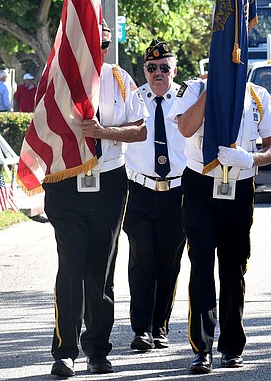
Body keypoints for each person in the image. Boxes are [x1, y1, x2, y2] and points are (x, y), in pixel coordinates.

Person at [46, 23, 148, 378]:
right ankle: (65, 351)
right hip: (66, 181)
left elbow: (140, 129)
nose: (98, 50)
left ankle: (98, 349)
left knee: (100, 271)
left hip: (108, 181)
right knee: (70, 268)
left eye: (104, 44)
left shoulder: (119, 78)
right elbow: (40, 127)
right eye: (91, 43)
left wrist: (105, 132)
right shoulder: (58, 75)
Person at [170, 68, 271, 374]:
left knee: (234, 267)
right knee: (202, 264)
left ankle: (232, 346)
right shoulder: (193, 90)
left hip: (239, 184)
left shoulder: (257, 96)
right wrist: (212, 89)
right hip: (200, 183)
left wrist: (252, 159)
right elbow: (185, 128)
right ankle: (201, 348)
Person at [123, 39, 188, 352]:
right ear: (145, 71)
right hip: (139, 191)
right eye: (152, 68)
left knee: (168, 262)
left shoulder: (188, 100)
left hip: (177, 192)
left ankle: (160, 326)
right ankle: (141, 330)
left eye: (164, 67)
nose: (158, 72)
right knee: (141, 260)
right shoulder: (132, 100)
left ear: (174, 69)